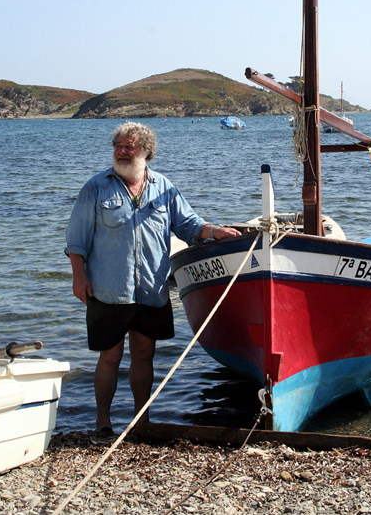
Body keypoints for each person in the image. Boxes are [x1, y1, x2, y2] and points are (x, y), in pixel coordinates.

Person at [66, 121, 240, 435]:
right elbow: (76, 240)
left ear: (147, 152)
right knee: (111, 355)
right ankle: (103, 423)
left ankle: (140, 421)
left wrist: (216, 232)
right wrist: (79, 278)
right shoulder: (95, 187)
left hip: (152, 289)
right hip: (108, 290)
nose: (121, 151)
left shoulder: (164, 187)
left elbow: (189, 225)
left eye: (128, 146)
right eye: (118, 145)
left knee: (145, 353)